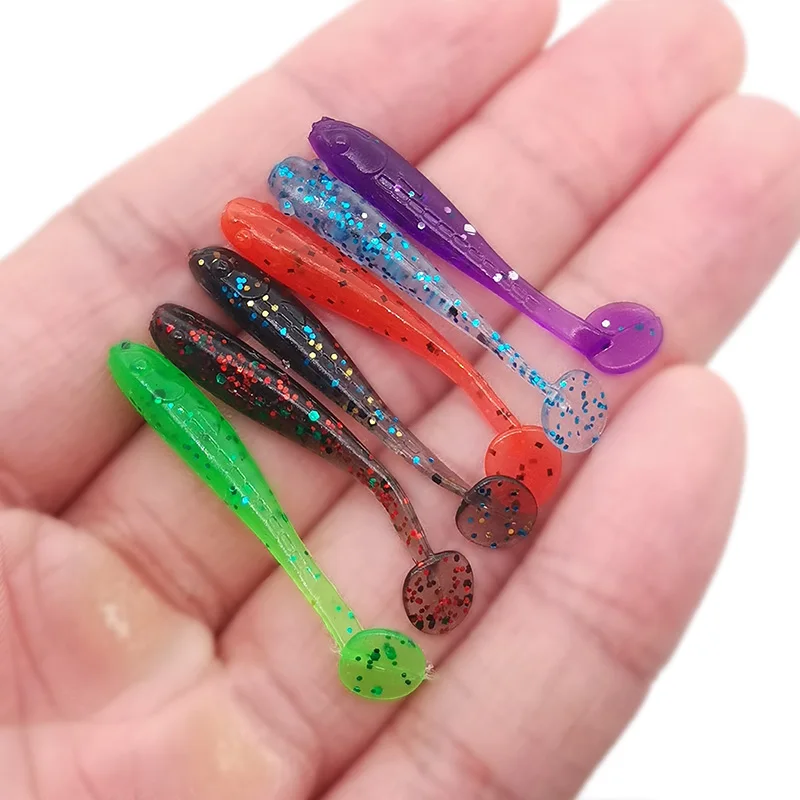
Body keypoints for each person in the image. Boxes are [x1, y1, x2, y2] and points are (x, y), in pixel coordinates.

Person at [0, 0, 798, 797]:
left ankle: (425, 453)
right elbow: (220, 280)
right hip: (349, 416)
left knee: (422, 357)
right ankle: (405, 469)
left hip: (400, 406)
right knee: (374, 418)